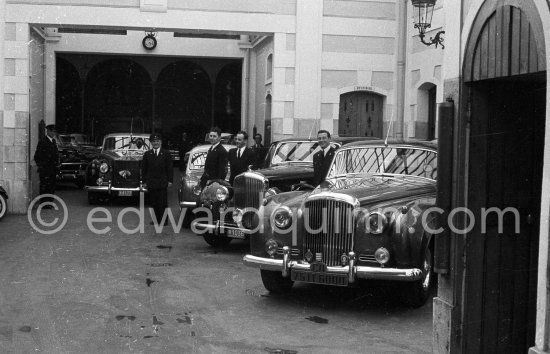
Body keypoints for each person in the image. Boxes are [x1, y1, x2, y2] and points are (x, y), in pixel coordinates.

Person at [142, 133, 174, 226]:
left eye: (157, 141)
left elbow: (170, 168)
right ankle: (156, 220)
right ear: (151, 143)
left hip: (162, 182)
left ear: (161, 142)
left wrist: (170, 181)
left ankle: (164, 221)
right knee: (153, 202)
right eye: (154, 141)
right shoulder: (147, 154)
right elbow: (144, 169)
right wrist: (144, 181)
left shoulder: (166, 153)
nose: (156, 143)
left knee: (162, 203)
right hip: (151, 182)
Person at [34, 124, 59, 208]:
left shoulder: (53, 141)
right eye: (52, 131)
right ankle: (44, 203)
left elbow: (55, 155)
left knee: (52, 186)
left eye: (54, 131)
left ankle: (50, 202)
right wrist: (42, 166)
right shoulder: (43, 141)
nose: (53, 133)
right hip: (45, 169)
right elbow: (37, 156)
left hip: (52, 169)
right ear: (47, 131)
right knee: (45, 187)